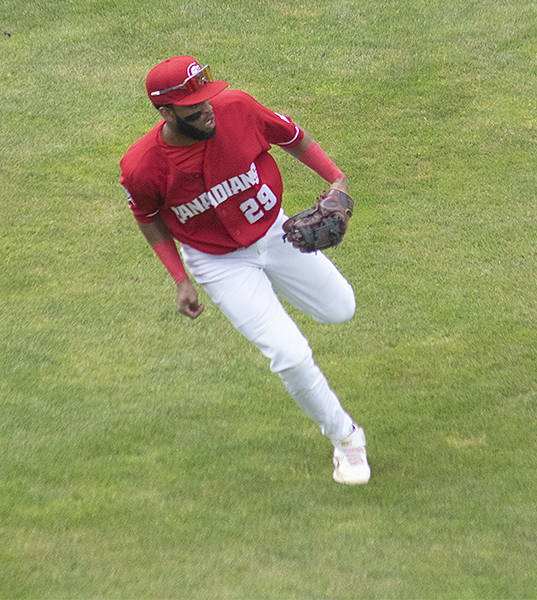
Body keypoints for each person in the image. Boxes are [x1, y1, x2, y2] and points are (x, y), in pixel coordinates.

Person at [119, 55, 370, 485]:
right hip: (219, 263)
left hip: (277, 233)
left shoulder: (237, 108)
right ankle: (347, 441)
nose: (207, 110)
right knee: (289, 354)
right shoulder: (142, 166)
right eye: (194, 108)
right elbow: (147, 217)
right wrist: (180, 278)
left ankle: (282, 286)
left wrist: (337, 179)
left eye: (207, 98)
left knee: (340, 308)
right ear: (166, 113)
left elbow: (293, 136)